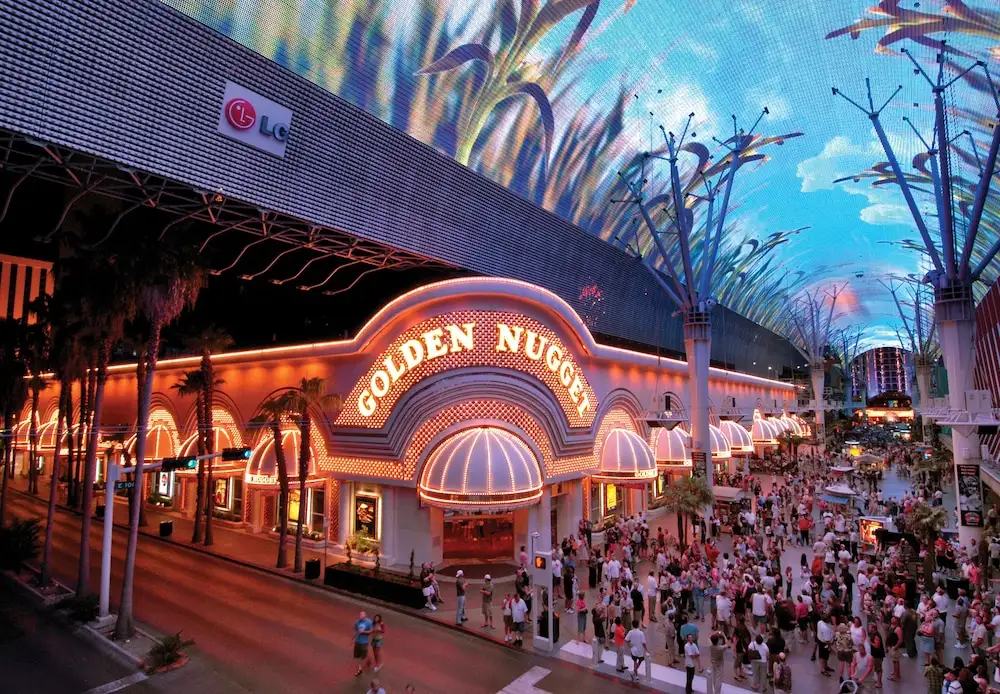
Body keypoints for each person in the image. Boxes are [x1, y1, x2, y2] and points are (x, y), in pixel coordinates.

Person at [353, 610, 373, 677]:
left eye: (362, 615)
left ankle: (367, 661)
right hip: (358, 641)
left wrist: (364, 632)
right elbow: (356, 630)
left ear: (365, 616)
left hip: (364, 641)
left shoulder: (369, 622)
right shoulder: (357, 622)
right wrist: (353, 637)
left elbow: (371, 631)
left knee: (364, 654)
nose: (360, 616)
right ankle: (360, 668)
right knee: (358, 656)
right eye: (360, 615)